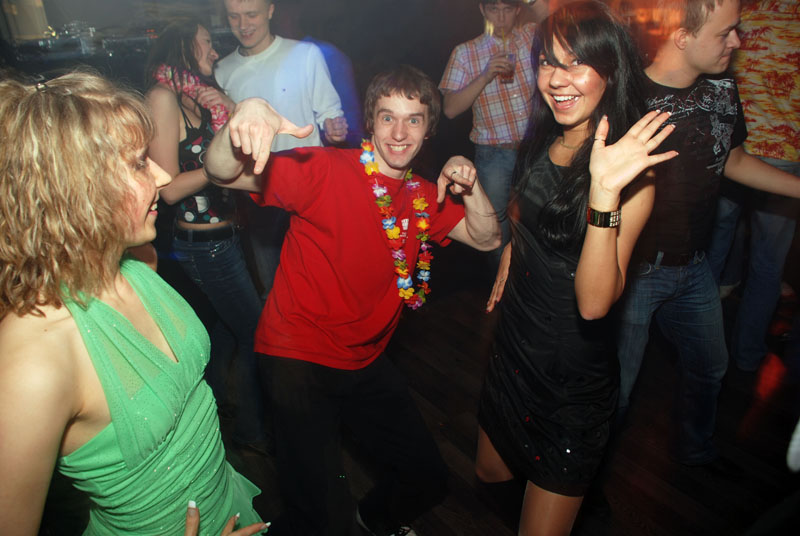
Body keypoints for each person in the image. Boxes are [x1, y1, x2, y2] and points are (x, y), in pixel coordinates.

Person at [204, 65, 501, 536]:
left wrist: (472, 182)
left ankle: (374, 521)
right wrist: (244, 116)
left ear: (429, 129)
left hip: (365, 359)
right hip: (296, 353)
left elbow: (487, 238)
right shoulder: (323, 169)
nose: (399, 133)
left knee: (427, 476)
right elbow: (221, 172)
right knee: (320, 517)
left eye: (413, 119)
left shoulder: (425, 198)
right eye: (387, 117)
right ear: (371, 122)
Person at [0, 72, 268, 535]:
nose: (162, 176)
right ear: (75, 188)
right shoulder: (32, 361)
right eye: (140, 163)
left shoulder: (139, 259)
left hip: (230, 505)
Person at [479, 2, 676, 533]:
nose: (556, 79)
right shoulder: (546, 130)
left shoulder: (630, 174)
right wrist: (514, 249)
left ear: (610, 69)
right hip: (514, 346)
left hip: (570, 381)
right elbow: (527, 206)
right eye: (548, 61)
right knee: (490, 473)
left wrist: (604, 192)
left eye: (576, 63)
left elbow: (594, 304)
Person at [617, 0, 800, 469]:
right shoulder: (626, 95)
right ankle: (585, 481)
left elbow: (732, 160)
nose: (737, 42)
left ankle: (694, 451)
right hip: (635, 273)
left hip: (696, 268)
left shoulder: (722, 85)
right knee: (616, 388)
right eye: (725, 33)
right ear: (682, 36)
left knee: (709, 369)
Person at [144, 18, 268, 453]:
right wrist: (217, 169)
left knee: (222, 333)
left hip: (225, 236)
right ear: (182, 45)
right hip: (204, 245)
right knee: (256, 334)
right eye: (206, 43)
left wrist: (229, 108)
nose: (215, 51)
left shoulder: (200, 99)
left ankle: (209, 415)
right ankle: (253, 431)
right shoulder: (162, 98)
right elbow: (167, 188)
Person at [215, 0, 348, 298]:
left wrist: (334, 128)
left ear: (270, 11)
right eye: (234, 17)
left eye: (251, 14)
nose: (243, 25)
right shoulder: (222, 69)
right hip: (258, 191)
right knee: (274, 286)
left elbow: (330, 112)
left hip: (309, 189)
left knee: (321, 279)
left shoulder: (305, 54)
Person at [705, 0, 800, 372]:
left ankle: (697, 342)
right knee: (767, 264)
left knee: (717, 242)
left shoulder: (741, 15)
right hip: (780, 155)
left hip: (733, 148)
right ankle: (746, 355)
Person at [439, 0, 548, 274]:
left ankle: (534, 282)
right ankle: (502, 288)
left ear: (517, 10)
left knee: (541, 218)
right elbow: (450, 109)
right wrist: (485, 75)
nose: (500, 17)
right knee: (495, 226)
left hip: (536, 149)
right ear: (482, 10)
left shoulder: (530, 36)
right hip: (493, 153)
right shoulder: (466, 52)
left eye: (507, 9)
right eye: (493, 9)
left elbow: (555, 16)